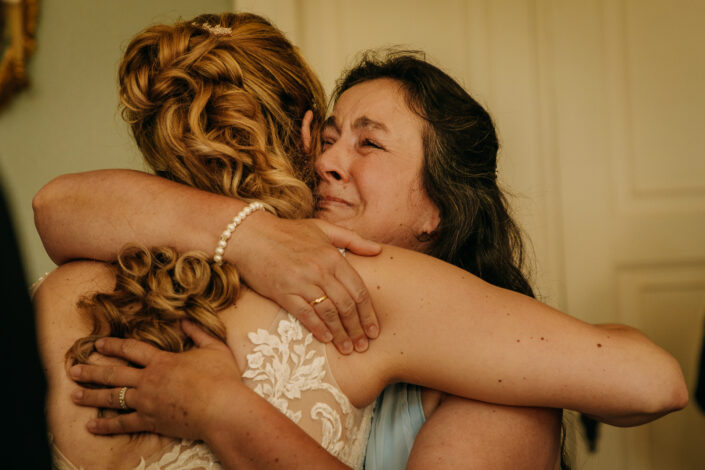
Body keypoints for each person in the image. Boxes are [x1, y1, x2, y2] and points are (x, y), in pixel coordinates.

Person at [33, 12, 687, 470]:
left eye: (368, 143)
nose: (327, 162)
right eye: (326, 138)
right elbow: (55, 204)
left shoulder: (493, 383)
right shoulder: (242, 258)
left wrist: (221, 408)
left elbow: (651, 381)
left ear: (439, 207)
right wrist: (250, 235)